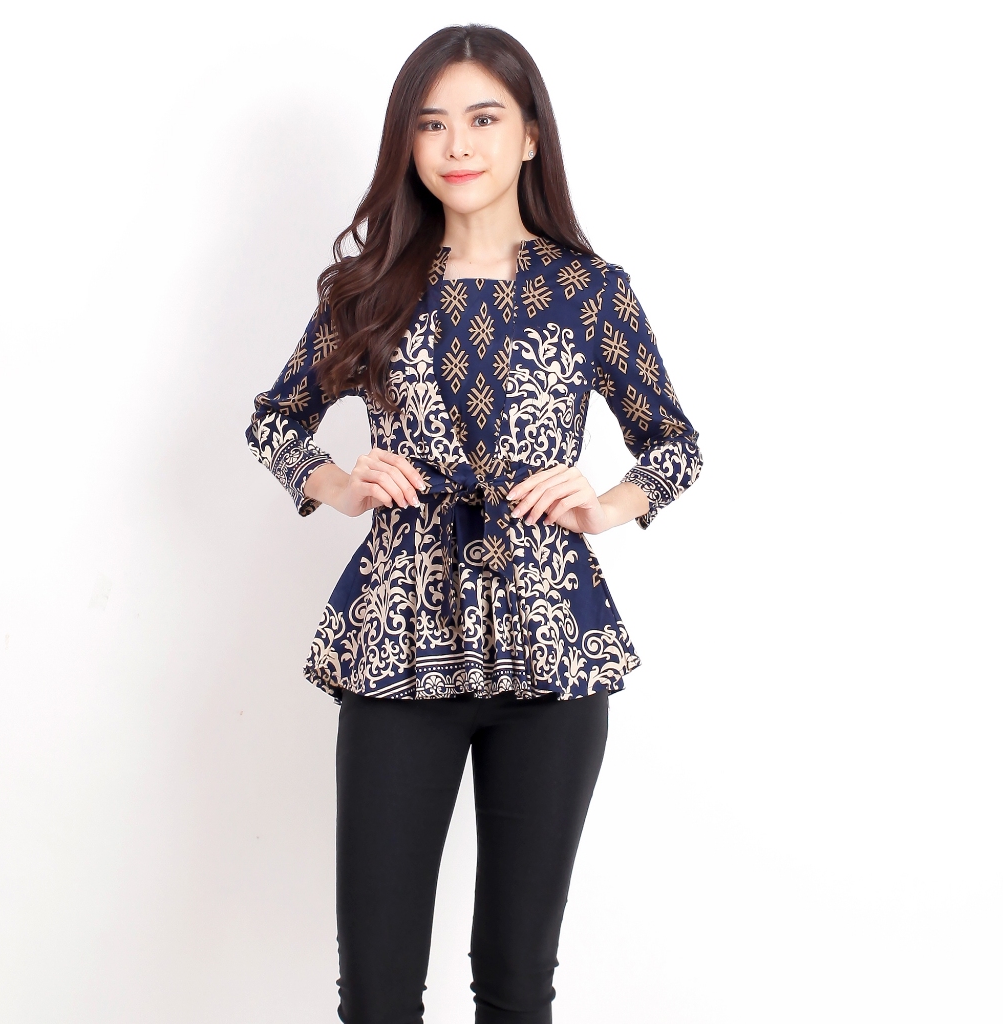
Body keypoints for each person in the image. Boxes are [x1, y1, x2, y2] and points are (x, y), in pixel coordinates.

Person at [245, 23, 703, 1024]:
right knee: (376, 993)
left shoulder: (590, 292)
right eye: (431, 124)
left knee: (515, 983)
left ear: (530, 136)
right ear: (407, 144)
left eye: (484, 119)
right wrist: (340, 483)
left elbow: (674, 445)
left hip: (552, 652)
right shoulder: (370, 289)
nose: (457, 145)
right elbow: (275, 421)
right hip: (398, 643)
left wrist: (605, 504)